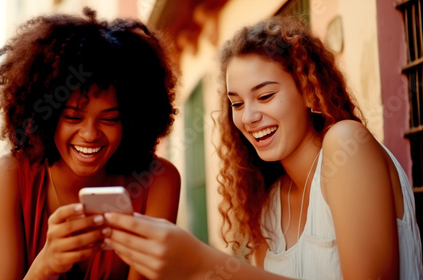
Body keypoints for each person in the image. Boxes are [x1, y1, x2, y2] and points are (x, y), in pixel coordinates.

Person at [100, 16, 423, 280]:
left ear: (310, 93)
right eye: (236, 103)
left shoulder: (347, 143)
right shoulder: (269, 204)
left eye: (265, 96)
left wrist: (204, 264)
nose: (249, 117)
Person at [0, 7, 180, 280]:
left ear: (132, 122)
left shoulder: (159, 180)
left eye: (110, 119)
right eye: (73, 117)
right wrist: (46, 265)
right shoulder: (8, 176)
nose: (89, 134)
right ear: (47, 114)